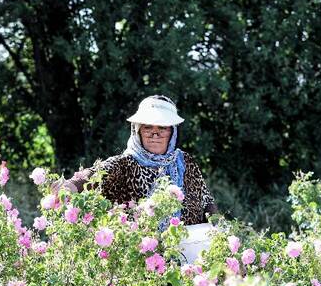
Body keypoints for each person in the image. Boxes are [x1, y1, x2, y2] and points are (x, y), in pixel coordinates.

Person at [53, 95, 219, 226]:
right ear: (138, 131)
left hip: (187, 254)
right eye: (147, 128)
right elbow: (100, 171)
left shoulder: (185, 162)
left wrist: (219, 228)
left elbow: (205, 199)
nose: (155, 134)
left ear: (172, 132)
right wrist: (72, 184)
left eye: (162, 128)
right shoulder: (126, 163)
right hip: (140, 259)